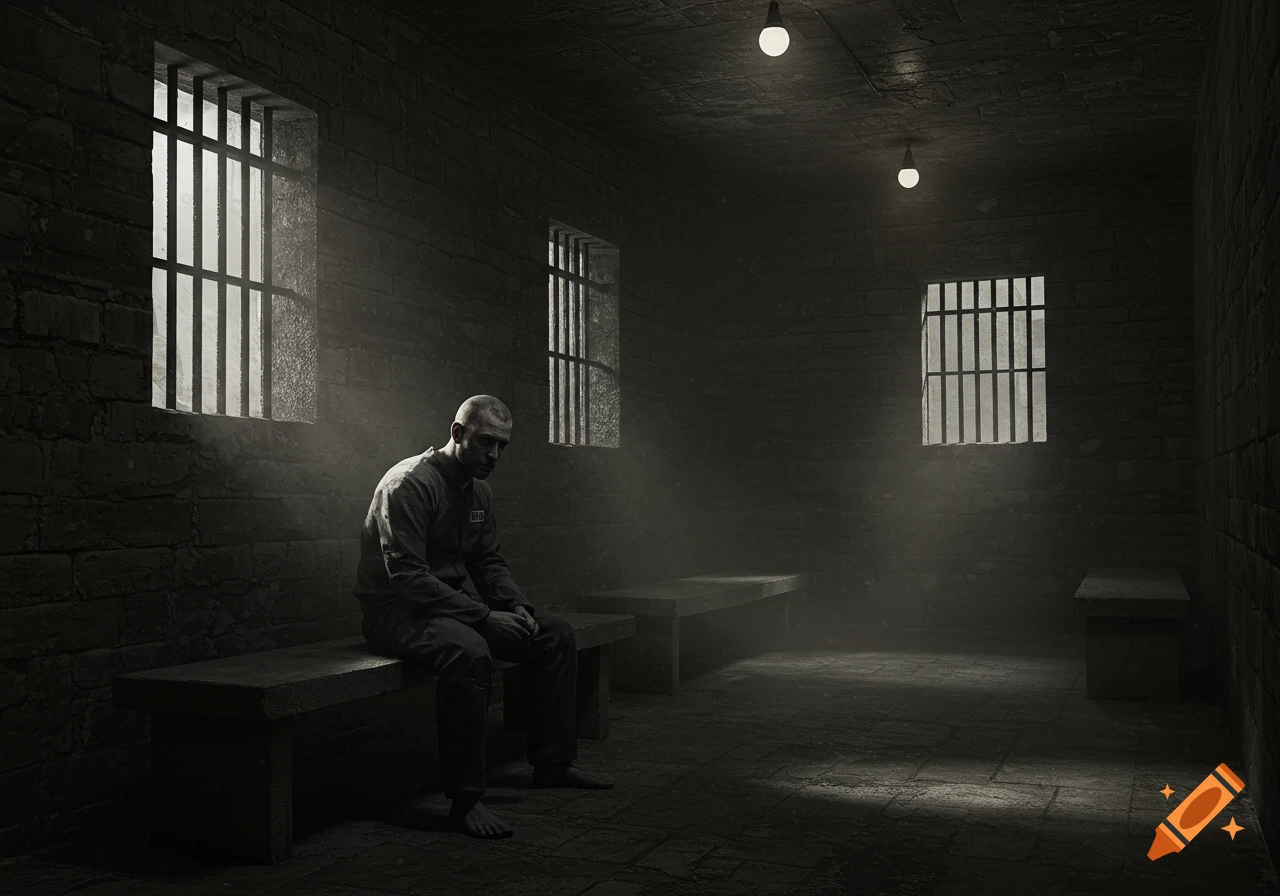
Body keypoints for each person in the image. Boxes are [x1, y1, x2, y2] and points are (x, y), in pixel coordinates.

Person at [354, 395, 613, 839]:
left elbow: (488, 563)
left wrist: (515, 607)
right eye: (486, 442)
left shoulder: (479, 490)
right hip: (395, 613)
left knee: (553, 634)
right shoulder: (408, 485)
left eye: (502, 446)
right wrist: (483, 617)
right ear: (458, 434)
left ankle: (553, 764)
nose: (494, 455)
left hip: (449, 608)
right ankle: (466, 799)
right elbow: (409, 580)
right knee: (470, 652)